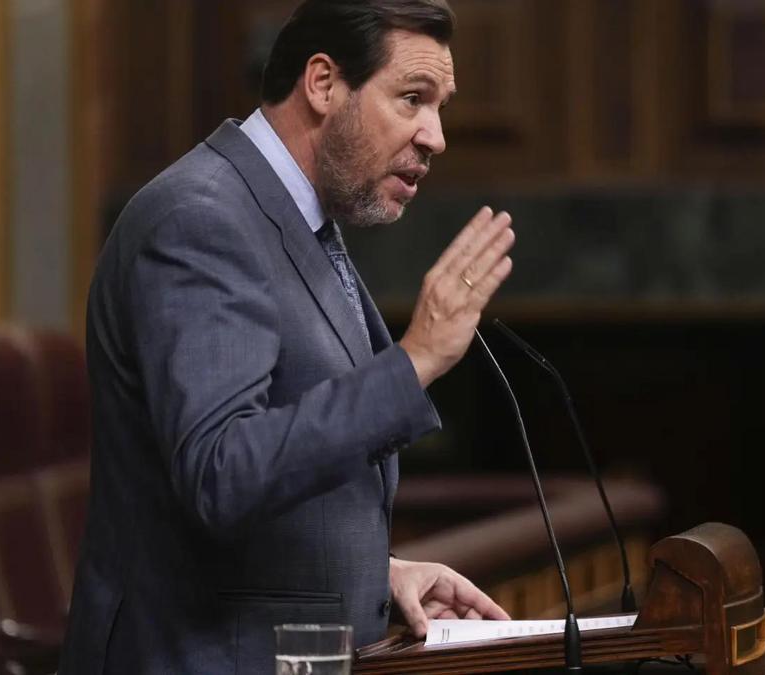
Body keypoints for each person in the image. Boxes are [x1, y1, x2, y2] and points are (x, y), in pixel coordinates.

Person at [60, 0, 515, 672]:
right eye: (412, 98)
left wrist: (377, 573)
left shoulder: (295, 219)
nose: (435, 136)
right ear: (324, 83)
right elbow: (221, 471)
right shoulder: (200, 220)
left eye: (440, 105)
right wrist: (415, 358)